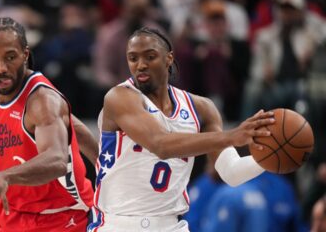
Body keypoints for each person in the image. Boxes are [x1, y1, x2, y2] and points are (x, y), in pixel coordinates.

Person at [87, 27, 275, 232]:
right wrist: (231, 136)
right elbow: (160, 144)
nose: (140, 65)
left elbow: (232, 172)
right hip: (118, 224)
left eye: (150, 57)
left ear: (169, 58)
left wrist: (272, 156)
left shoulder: (202, 108)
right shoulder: (119, 97)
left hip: (171, 225)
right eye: (133, 58)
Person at [0, 17, 98, 232]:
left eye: (10, 57)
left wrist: (5, 176)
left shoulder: (42, 101)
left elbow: (56, 160)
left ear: (25, 55)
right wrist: (102, 160)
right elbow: (69, 121)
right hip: (11, 212)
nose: (1, 68)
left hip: (59, 216)